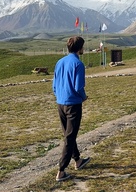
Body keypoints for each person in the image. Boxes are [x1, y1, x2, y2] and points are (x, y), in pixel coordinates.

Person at [52, 36, 90, 182]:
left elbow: (54, 85)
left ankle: (78, 160)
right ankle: (61, 170)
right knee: (70, 136)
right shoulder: (78, 64)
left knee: (68, 134)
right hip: (73, 104)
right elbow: (78, 86)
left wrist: (60, 95)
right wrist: (83, 97)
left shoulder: (59, 62)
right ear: (80, 48)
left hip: (60, 103)